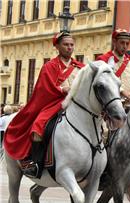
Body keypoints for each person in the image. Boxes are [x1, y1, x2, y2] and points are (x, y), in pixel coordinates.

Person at [3, 31, 84, 178]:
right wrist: (62, 89)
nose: (69, 48)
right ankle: (35, 162)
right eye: (66, 45)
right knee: (38, 126)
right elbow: (44, 89)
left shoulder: (80, 67)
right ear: (57, 47)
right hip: (55, 103)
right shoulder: (49, 66)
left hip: (77, 105)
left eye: (71, 45)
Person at [96, 28, 130, 112]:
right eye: (122, 43)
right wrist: (122, 92)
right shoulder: (103, 61)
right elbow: (104, 82)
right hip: (110, 107)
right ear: (114, 42)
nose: (125, 46)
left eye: (127, 43)